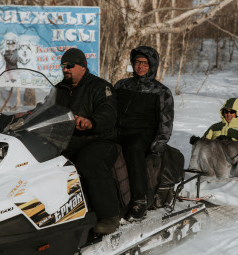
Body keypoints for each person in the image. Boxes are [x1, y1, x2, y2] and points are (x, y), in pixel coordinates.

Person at [55, 48, 120, 234]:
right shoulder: (59, 89)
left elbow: (108, 113)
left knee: (89, 161)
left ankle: (109, 216)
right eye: (63, 66)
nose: (65, 69)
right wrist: (26, 116)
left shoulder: (100, 87)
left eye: (69, 66)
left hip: (100, 139)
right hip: (69, 140)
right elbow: (47, 109)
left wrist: (91, 121)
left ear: (82, 67)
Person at [114, 46, 174, 219]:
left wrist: (157, 147)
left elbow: (166, 123)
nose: (140, 66)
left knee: (133, 150)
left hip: (142, 135)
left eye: (144, 63)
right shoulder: (122, 85)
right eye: (137, 62)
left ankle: (139, 200)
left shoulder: (162, 92)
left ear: (152, 65)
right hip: (117, 131)